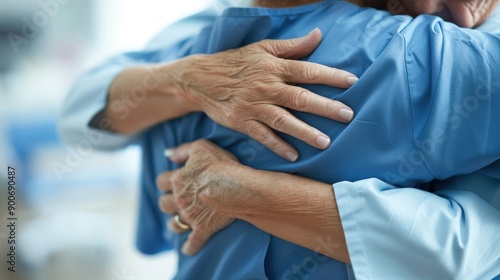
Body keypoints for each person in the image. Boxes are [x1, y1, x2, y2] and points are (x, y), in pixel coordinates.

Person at [58, 0, 500, 279]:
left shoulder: (429, 60)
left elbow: (465, 252)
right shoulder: (211, 37)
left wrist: (246, 194)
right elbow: (80, 115)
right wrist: (188, 81)